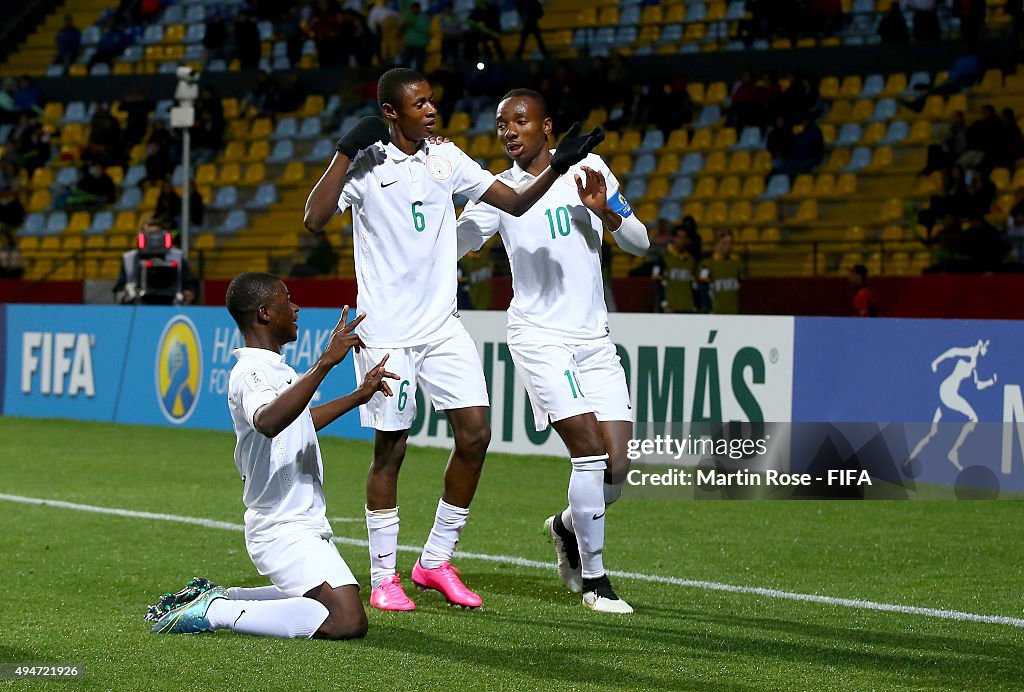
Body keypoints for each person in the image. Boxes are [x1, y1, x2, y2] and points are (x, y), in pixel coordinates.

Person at [303, 67, 603, 611]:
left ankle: (435, 561)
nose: (431, 109)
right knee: (390, 451)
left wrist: (557, 167)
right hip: (387, 334)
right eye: (418, 103)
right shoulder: (367, 164)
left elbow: (511, 203)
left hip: (443, 327)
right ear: (391, 112)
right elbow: (314, 219)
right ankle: (382, 576)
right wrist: (344, 151)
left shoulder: (448, 157)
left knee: (475, 433)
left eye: (432, 101)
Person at [456, 88, 647, 613]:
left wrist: (607, 211)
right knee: (587, 450)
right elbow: (451, 244)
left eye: (520, 121)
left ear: (547, 127)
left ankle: (565, 526)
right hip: (539, 338)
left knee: (616, 470)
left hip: (594, 341)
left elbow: (640, 242)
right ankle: (596, 580)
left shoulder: (590, 168)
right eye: (501, 124)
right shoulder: (499, 193)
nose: (509, 131)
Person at [146, 272, 398, 639]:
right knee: (347, 620)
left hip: (301, 523)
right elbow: (268, 421)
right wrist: (326, 362)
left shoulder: (276, 369)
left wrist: (359, 395)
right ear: (264, 313)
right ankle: (217, 612)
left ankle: (220, 597)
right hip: (280, 529)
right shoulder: (249, 372)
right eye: (287, 300)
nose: (296, 307)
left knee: (328, 603)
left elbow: (300, 421)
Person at [113, 219, 200, 305]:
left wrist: (189, 292)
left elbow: (190, 283)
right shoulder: (130, 259)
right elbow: (119, 288)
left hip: (171, 305)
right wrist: (126, 295)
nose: (153, 240)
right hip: (138, 306)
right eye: (149, 234)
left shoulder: (177, 257)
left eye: (157, 234)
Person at [699, 229, 742, 314]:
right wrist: (708, 309)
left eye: (730, 243)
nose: (728, 246)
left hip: (733, 313)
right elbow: (703, 290)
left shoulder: (736, 264)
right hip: (715, 313)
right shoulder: (707, 264)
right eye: (724, 243)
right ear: (717, 244)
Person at [657, 225, 698, 313]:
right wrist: (663, 304)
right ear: (673, 238)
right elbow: (657, 284)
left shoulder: (691, 260)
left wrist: (695, 305)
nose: (681, 240)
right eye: (679, 237)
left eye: (684, 237)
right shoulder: (664, 258)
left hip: (688, 308)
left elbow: (694, 285)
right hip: (670, 308)